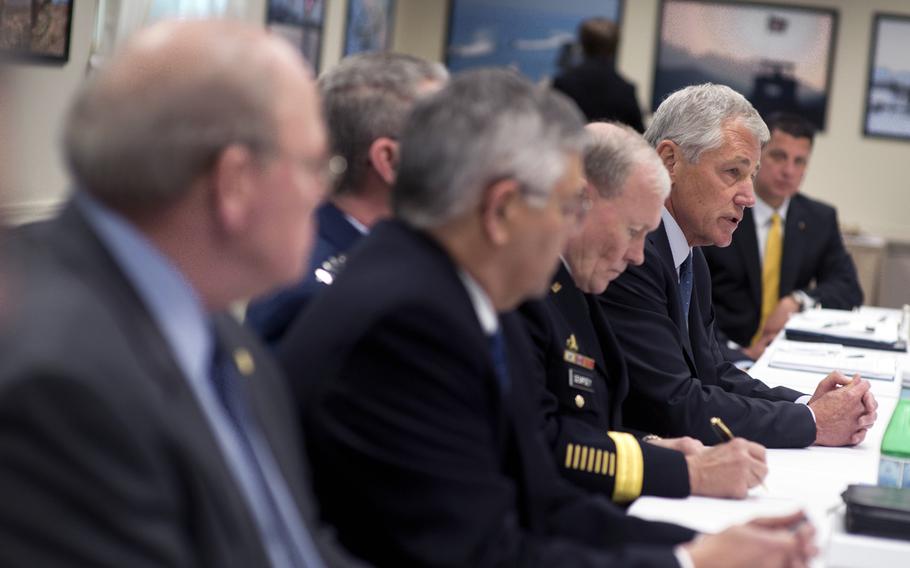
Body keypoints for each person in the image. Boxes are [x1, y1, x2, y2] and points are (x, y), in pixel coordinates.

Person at [278, 69, 815, 568]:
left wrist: (696, 545)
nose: (571, 232)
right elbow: (483, 552)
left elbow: (542, 497)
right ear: (503, 209)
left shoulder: (455, 295)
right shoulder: (409, 323)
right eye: (566, 208)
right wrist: (693, 562)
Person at [0, 20, 360, 567]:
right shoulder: (60, 381)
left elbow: (298, 547)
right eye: (314, 165)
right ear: (235, 183)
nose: (322, 192)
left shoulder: (224, 338)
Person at [600, 84, 877, 449]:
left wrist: (805, 404)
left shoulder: (689, 252)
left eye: (751, 174)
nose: (748, 196)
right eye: (733, 172)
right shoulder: (635, 255)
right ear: (670, 161)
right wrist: (812, 422)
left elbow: (713, 372)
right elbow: (675, 404)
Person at [518, 122, 768, 503]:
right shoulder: (527, 294)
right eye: (633, 230)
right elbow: (544, 447)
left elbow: (590, 425)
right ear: (580, 203)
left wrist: (651, 447)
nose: (638, 254)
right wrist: (683, 472)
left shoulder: (578, 284)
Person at [246, 52, 448, 345]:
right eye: (448, 137)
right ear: (389, 160)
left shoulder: (411, 252)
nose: (463, 154)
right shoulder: (311, 298)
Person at [703, 112, 863, 362]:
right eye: (779, 157)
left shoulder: (819, 218)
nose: (788, 171)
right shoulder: (721, 211)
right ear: (757, 157)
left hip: (788, 356)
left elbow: (848, 288)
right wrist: (738, 354)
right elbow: (693, 304)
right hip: (722, 355)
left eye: (799, 161)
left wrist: (798, 300)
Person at [552, 17, 644, 132]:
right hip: (610, 150)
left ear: (583, 44)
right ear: (615, 47)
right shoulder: (626, 90)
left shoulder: (562, 84)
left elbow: (549, 127)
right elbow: (639, 136)